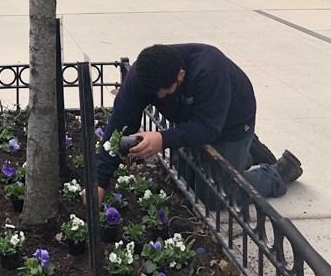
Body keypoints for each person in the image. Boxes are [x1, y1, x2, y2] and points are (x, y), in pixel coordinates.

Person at [86, 43, 303, 207]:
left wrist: (163, 139)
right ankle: (246, 154)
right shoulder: (143, 76)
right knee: (185, 177)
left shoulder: (210, 70)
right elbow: (118, 126)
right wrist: (100, 181)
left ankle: (278, 173)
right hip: (194, 119)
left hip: (231, 124)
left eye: (166, 93)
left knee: (216, 195)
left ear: (181, 75)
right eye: (155, 96)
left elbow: (208, 128)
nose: (160, 98)